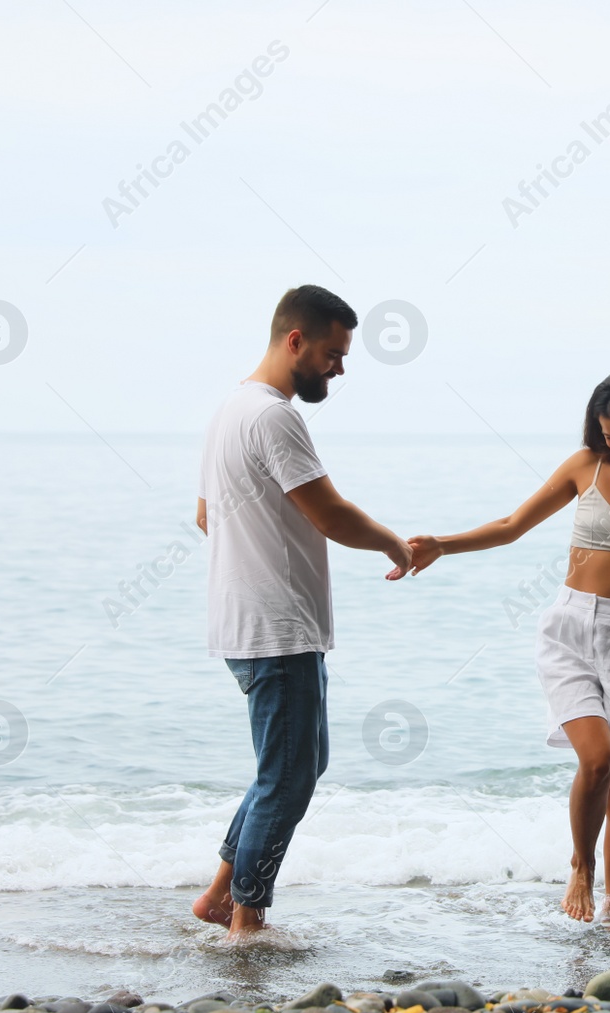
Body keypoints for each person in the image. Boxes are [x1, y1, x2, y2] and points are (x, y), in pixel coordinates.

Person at [407, 367, 610, 922]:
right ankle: (581, 865)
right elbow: (511, 525)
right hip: (570, 629)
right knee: (597, 760)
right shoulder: (586, 466)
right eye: (609, 434)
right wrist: (441, 544)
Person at [190, 284, 413, 939]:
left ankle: (217, 897)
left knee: (295, 766)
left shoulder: (229, 410)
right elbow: (330, 510)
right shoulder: (272, 416)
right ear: (295, 340)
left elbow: (205, 515)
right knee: (286, 776)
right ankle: (247, 919)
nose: (339, 368)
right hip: (276, 626)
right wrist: (393, 541)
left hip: (249, 623)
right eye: (333, 353)